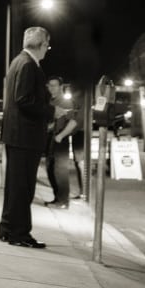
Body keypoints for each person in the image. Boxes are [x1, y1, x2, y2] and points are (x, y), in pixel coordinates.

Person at [0, 26, 54, 248]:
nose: (47, 50)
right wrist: (51, 111)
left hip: (16, 135)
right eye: (47, 46)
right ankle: (19, 233)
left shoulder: (17, 61)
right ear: (41, 45)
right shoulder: (29, 65)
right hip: (25, 136)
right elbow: (24, 99)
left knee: (15, 187)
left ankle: (7, 228)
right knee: (23, 188)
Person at [44, 75, 80, 208]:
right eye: (49, 85)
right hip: (50, 140)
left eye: (54, 85)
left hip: (60, 140)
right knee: (50, 170)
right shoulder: (49, 101)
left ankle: (63, 201)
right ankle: (57, 199)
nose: (51, 88)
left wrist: (61, 136)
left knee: (60, 171)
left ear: (61, 87)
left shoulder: (65, 102)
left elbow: (73, 121)